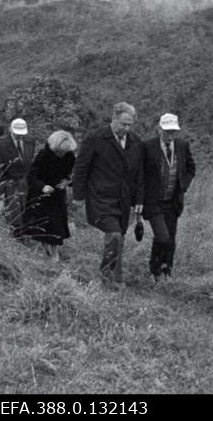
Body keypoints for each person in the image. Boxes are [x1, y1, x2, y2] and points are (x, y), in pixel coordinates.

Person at [72, 102, 144, 289]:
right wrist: (78, 196)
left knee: (118, 237)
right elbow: (81, 168)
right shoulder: (95, 139)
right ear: (113, 119)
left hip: (123, 199)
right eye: (123, 124)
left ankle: (106, 273)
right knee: (114, 235)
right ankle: (115, 279)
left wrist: (139, 200)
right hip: (99, 197)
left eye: (129, 125)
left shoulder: (136, 142)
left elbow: (139, 174)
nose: (126, 129)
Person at [141, 113, 196, 281]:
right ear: (159, 129)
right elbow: (139, 173)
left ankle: (166, 270)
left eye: (173, 131)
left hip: (173, 202)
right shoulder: (147, 147)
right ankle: (154, 269)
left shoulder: (182, 146)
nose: (170, 135)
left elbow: (191, 168)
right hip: (153, 202)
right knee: (162, 236)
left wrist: (183, 186)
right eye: (167, 131)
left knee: (170, 239)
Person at [24, 130, 78, 261]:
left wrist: (68, 182)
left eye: (64, 152)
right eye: (60, 152)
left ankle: (54, 254)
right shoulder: (44, 155)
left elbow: (72, 175)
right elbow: (31, 176)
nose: (62, 154)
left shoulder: (69, 156)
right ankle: (46, 251)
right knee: (42, 226)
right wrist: (43, 186)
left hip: (58, 196)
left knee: (56, 226)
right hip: (40, 195)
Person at [0, 118, 36, 238]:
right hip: (9, 181)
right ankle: (13, 237)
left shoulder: (30, 140)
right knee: (12, 212)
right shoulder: (0, 143)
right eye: (16, 133)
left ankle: (24, 235)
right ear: (10, 129)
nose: (19, 136)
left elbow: (30, 161)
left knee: (25, 209)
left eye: (21, 134)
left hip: (24, 180)